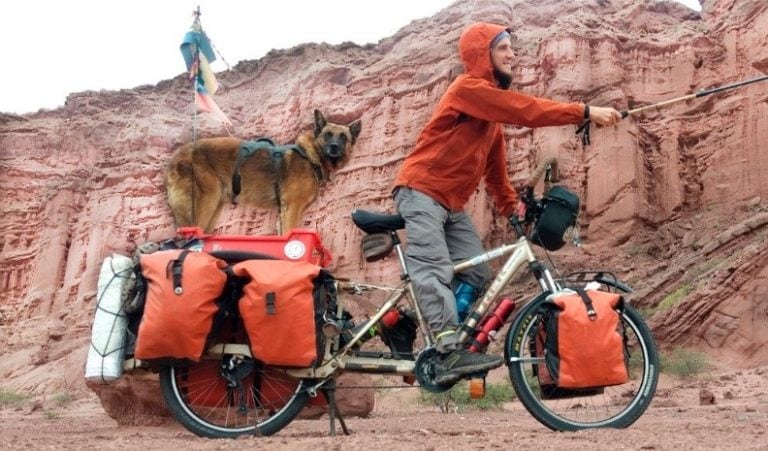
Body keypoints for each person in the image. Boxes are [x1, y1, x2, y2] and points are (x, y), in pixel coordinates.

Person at [392, 22, 622, 384]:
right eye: (503, 48)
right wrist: (584, 111)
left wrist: (512, 208)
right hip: (420, 191)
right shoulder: (467, 88)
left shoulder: (490, 125)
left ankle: (409, 323)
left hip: (451, 207)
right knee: (434, 268)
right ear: (482, 56)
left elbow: (497, 180)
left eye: (512, 48)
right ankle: (446, 346)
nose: (512, 54)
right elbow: (524, 110)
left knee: (476, 273)